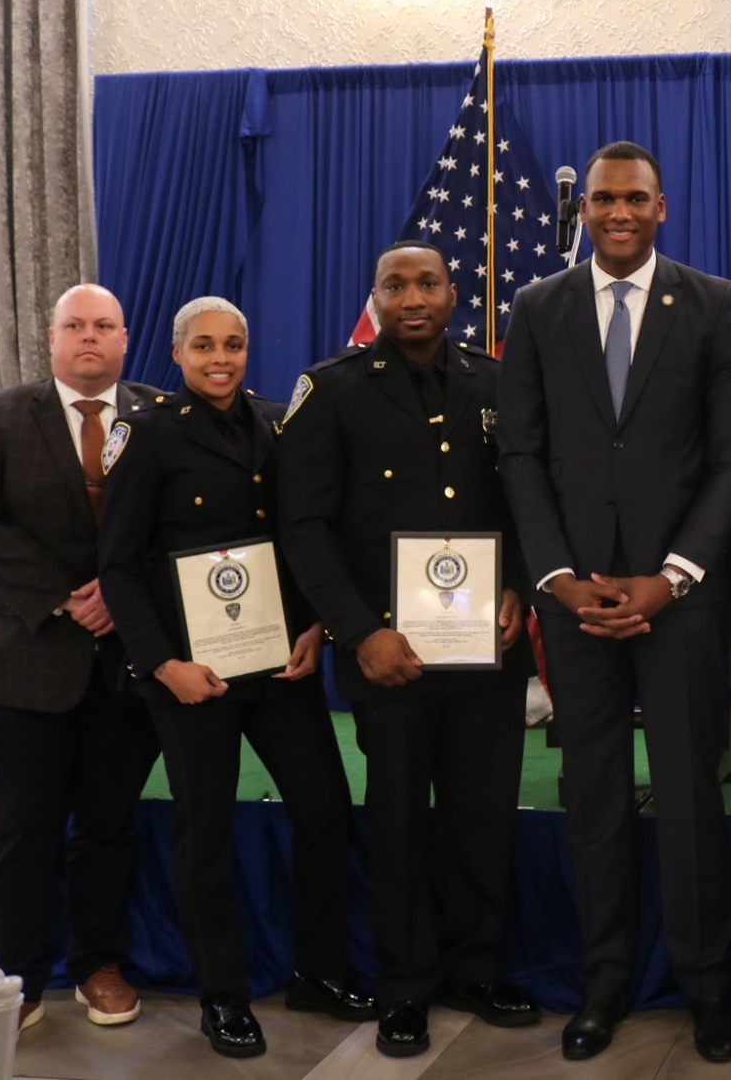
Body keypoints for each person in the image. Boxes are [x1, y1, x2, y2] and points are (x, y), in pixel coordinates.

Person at [497, 141, 731, 1065]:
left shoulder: (715, 303)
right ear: (584, 211)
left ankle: (706, 984)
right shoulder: (537, 307)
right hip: (574, 600)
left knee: (689, 794)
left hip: (679, 598)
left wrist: (674, 574)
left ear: (662, 206)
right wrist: (557, 577)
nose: (618, 211)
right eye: (603, 198)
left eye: (635, 198)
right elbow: (521, 451)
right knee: (594, 794)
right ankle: (603, 982)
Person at [277, 241, 538, 1058]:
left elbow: (530, 498)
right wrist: (359, 631)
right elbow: (304, 525)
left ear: (454, 294)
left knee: (483, 816)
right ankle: (405, 985)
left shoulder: (496, 383)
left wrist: (520, 586)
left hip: (485, 650)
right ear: (376, 299)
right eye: (395, 284)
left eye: (428, 282)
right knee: (396, 825)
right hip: (387, 654)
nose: (413, 297)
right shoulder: (331, 389)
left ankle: (477, 967)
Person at [97, 297, 375, 1057]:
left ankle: (320, 970)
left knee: (324, 808)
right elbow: (118, 565)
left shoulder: (281, 423)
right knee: (205, 830)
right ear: (177, 353)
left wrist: (316, 626)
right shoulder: (146, 433)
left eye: (233, 344)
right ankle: (222, 995)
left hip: (281, 664)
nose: (220, 358)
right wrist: (163, 664)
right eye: (204, 346)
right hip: (193, 672)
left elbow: (304, 538)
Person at [0, 283, 162, 1033]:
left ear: (125, 339)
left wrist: (126, 594)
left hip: (127, 666)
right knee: (22, 831)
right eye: (76, 325)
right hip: (26, 662)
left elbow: (187, 525)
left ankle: (98, 965)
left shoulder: (163, 416)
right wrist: (68, 597)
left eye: (104, 325)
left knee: (108, 828)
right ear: (53, 338)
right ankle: (17, 977)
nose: (89, 336)